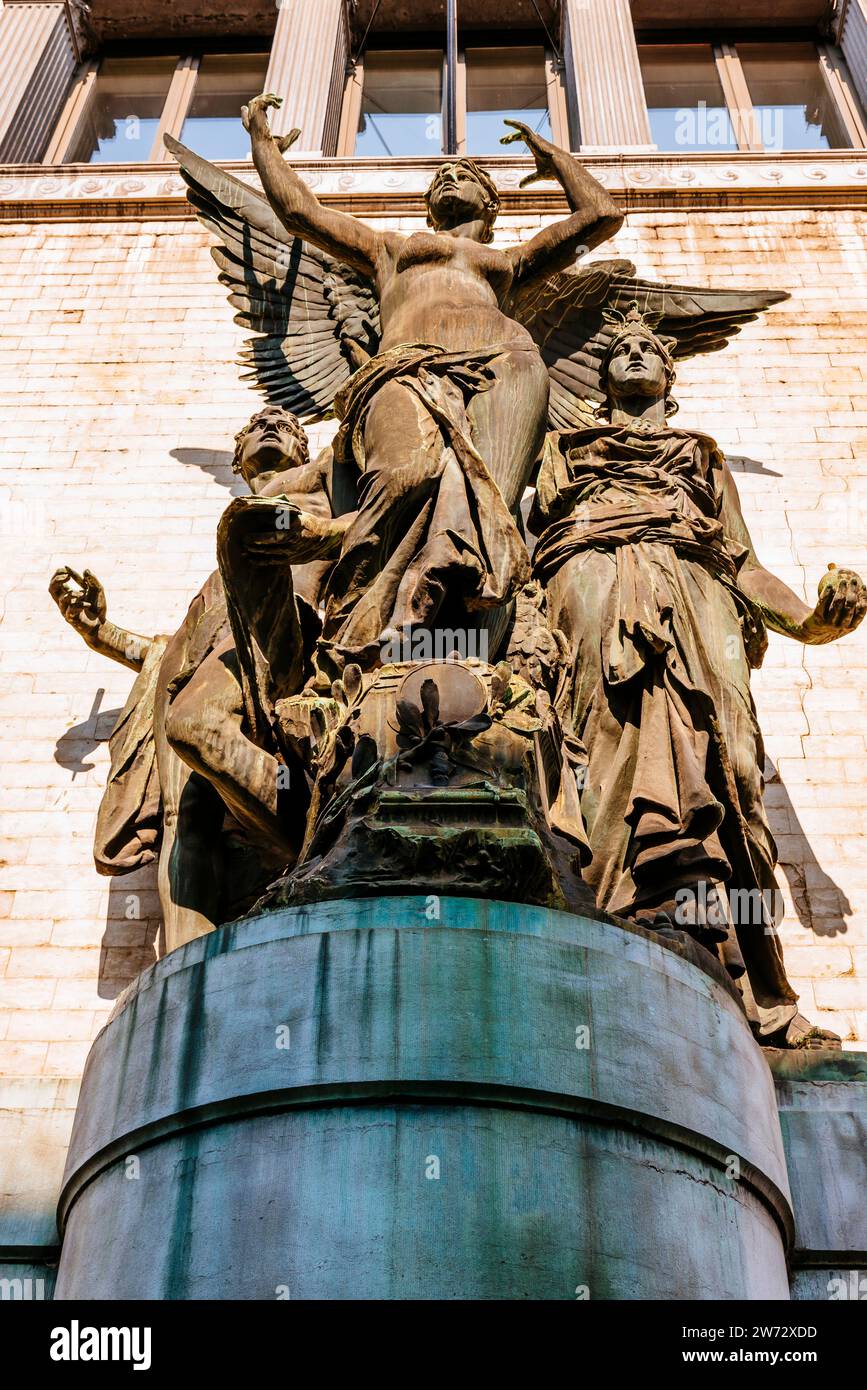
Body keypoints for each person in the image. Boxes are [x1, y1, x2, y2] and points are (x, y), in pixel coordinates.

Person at [530, 307, 867, 1046]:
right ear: (599, 376)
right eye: (619, 348)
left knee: (731, 766)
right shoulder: (559, 447)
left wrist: (812, 622)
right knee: (600, 739)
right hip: (590, 580)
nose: (634, 354)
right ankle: (604, 913)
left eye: (649, 347)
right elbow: (519, 547)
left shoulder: (699, 455)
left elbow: (742, 564)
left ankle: (733, 960)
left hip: (694, 587)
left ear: (669, 375)